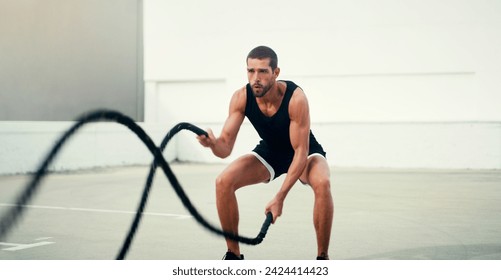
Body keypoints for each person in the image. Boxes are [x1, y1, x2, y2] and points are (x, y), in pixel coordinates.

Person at [197, 46, 333, 260]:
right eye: (251, 71)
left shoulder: (295, 98)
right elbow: (225, 148)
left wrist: (280, 197)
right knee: (223, 181)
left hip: (303, 151)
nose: (255, 78)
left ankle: (322, 258)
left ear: (276, 73)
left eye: (262, 71)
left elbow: (299, 152)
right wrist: (212, 144)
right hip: (270, 151)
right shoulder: (241, 97)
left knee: (323, 182)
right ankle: (233, 255)